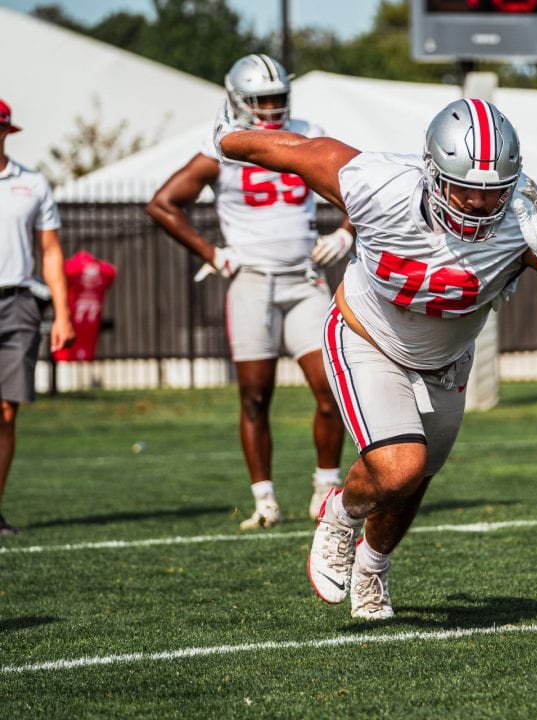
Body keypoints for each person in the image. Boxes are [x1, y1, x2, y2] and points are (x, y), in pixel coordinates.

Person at [214, 96, 537, 619]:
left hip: (447, 358)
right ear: (432, 172)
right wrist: (225, 140)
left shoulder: (526, 214)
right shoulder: (379, 185)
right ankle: (338, 514)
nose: (476, 204)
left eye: (490, 192)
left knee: (416, 478)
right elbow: (296, 149)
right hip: (367, 338)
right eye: (465, 189)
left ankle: (372, 568)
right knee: (401, 465)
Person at [147, 55, 352, 530]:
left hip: (304, 278)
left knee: (332, 391)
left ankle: (325, 487)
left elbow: (357, 186)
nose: (270, 108)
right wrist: (212, 254)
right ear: (237, 99)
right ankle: (265, 499)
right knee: (255, 397)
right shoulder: (222, 143)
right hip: (252, 281)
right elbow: (163, 203)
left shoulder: (307, 130)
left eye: (277, 98)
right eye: (260, 99)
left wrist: (345, 232)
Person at [0, 98, 76, 535]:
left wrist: (62, 314)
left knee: (6, 413)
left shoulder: (31, 183)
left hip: (19, 303)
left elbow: (50, 251)